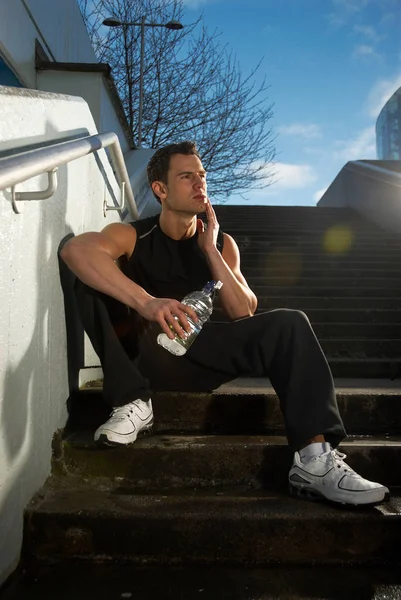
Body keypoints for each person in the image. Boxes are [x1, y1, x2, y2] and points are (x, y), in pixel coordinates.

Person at [60, 140, 389, 507]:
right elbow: (76, 250)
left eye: (202, 175)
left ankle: (314, 461)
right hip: (147, 353)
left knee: (290, 323)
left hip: (201, 355)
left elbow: (242, 312)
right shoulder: (133, 235)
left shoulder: (221, 243)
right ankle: (132, 402)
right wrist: (147, 302)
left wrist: (212, 251)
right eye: (187, 177)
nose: (200, 183)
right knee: (88, 280)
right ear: (160, 189)